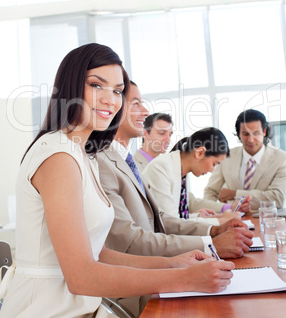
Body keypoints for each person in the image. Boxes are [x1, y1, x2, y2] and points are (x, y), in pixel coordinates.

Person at [0, 44, 235, 318]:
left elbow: (98, 253)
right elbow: (81, 277)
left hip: (82, 307)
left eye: (117, 91)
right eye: (96, 85)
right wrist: (185, 278)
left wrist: (173, 264)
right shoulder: (58, 157)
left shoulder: (81, 155)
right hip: (49, 310)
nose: (111, 100)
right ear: (70, 87)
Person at [97, 81, 253, 315]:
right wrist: (209, 243)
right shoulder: (107, 161)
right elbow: (136, 238)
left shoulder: (126, 160)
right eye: (136, 102)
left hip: (154, 270)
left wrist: (215, 230)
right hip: (137, 284)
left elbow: (161, 219)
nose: (146, 112)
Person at [142, 128, 252, 221]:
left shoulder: (180, 169)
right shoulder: (161, 168)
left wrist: (210, 217)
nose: (211, 170)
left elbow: (189, 204)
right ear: (199, 153)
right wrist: (219, 221)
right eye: (214, 164)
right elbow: (170, 223)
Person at [204, 109, 286, 211]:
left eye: (256, 133)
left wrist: (235, 194)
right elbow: (211, 191)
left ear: (264, 131)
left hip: (266, 219)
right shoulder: (227, 156)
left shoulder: (281, 158)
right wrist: (211, 214)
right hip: (232, 220)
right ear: (238, 134)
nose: (251, 140)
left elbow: (277, 198)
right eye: (245, 134)